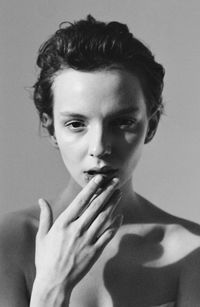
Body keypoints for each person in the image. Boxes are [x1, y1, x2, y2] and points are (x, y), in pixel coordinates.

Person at [0, 14, 200, 307]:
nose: (100, 147)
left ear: (152, 125)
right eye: (76, 124)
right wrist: (51, 287)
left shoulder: (191, 252)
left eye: (122, 122)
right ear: (50, 128)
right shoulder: (9, 244)